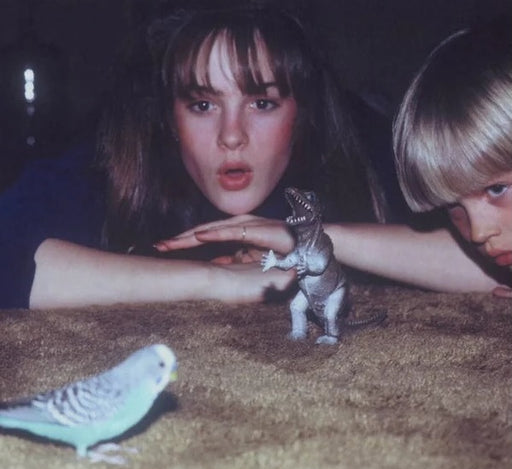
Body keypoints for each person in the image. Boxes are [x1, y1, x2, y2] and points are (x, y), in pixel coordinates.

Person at [0, 4, 400, 309]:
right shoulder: (116, 165)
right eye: (203, 105)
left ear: (302, 113)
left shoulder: (363, 154)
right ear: (169, 117)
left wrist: (314, 240)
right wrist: (214, 280)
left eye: (262, 103)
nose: (231, 136)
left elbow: (443, 250)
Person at [157, 16, 512, 299]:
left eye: (498, 189)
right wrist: (298, 239)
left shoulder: (374, 160)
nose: (478, 232)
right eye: (202, 105)